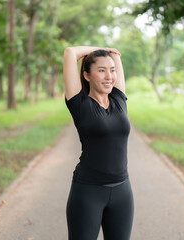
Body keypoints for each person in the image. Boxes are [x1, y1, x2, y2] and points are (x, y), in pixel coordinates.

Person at [63, 46, 134, 240]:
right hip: (87, 192)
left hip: (122, 191)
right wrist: (100, 49)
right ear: (86, 75)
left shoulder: (119, 98)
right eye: (101, 71)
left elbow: (116, 54)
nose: (109, 76)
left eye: (112, 71)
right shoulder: (80, 104)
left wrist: (110, 53)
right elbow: (70, 53)